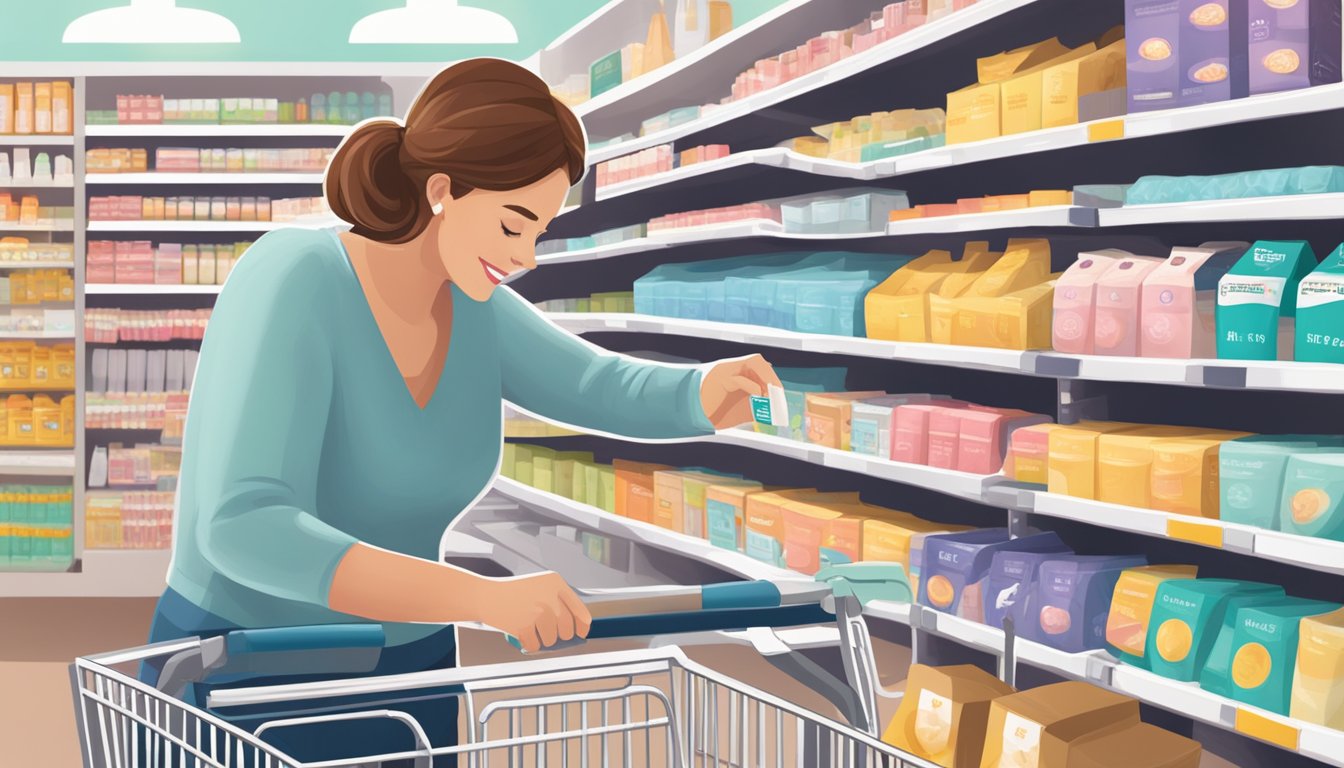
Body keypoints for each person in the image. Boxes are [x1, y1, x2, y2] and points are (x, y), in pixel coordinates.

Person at [140, 57, 782, 766]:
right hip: (250, 666)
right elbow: (243, 525)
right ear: (443, 189)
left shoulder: (477, 312)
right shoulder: (295, 278)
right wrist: (481, 599)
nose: (528, 257)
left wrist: (703, 394)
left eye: (539, 230)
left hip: (409, 669)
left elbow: (596, 382)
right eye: (514, 224)